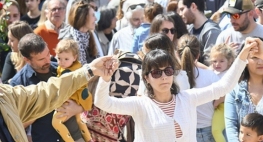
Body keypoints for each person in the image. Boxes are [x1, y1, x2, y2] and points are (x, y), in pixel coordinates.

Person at [94, 37, 258, 142]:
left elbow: (223, 87)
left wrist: (243, 55)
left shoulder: (187, 98)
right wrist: (105, 78)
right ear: (146, 78)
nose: (164, 77)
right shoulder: (140, 104)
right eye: (156, 73)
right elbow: (102, 103)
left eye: (168, 71)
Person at [0, 35, 117, 142]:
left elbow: (78, 92)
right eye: (41, 59)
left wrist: (78, 108)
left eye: (48, 54)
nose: (48, 60)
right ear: (27, 60)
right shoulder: (18, 84)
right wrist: (38, 108)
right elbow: (13, 123)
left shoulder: (62, 68)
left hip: (74, 135)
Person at [177, 34, 220, 142]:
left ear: (178, 53)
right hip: (208, 128)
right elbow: (220, 97)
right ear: (198, 55)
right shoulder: (211, 76)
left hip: (184, 131)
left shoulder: (172, 78)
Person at [52, 39, 93, 142]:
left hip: (69, 100)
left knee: (56, 122)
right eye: (59, 58)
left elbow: (62, 88)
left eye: (66, 59)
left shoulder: (68, 73)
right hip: (77, 100)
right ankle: (89, 138)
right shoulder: (77, 67)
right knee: (79, 120)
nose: (62, 62)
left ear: (74, 57)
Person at [225, 39, 263, 141]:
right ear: (245, 60)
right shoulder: (234, 90)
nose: (260, 61)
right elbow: (231, 126)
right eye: (255, 57)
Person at [178, 0, 221, 64]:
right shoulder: (189, 29)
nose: (180, 14)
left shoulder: (212, 32)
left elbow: (209, 64)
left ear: (193, 6)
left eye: (182, 9)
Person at [209, 44, 235, 142]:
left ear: (230, 61)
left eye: (221, 61)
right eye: (214, 61)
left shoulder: (230, 74)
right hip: (217, 107)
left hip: (224, 107)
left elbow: (228, 91)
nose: (217, 64)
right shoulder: (213, 72)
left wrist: (216, 103)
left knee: (216, 130)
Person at [59, 0, 98, 64]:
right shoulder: (68, 41)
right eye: (93, 15)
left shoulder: (89, 36)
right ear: (84, 18)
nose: (96, 19)